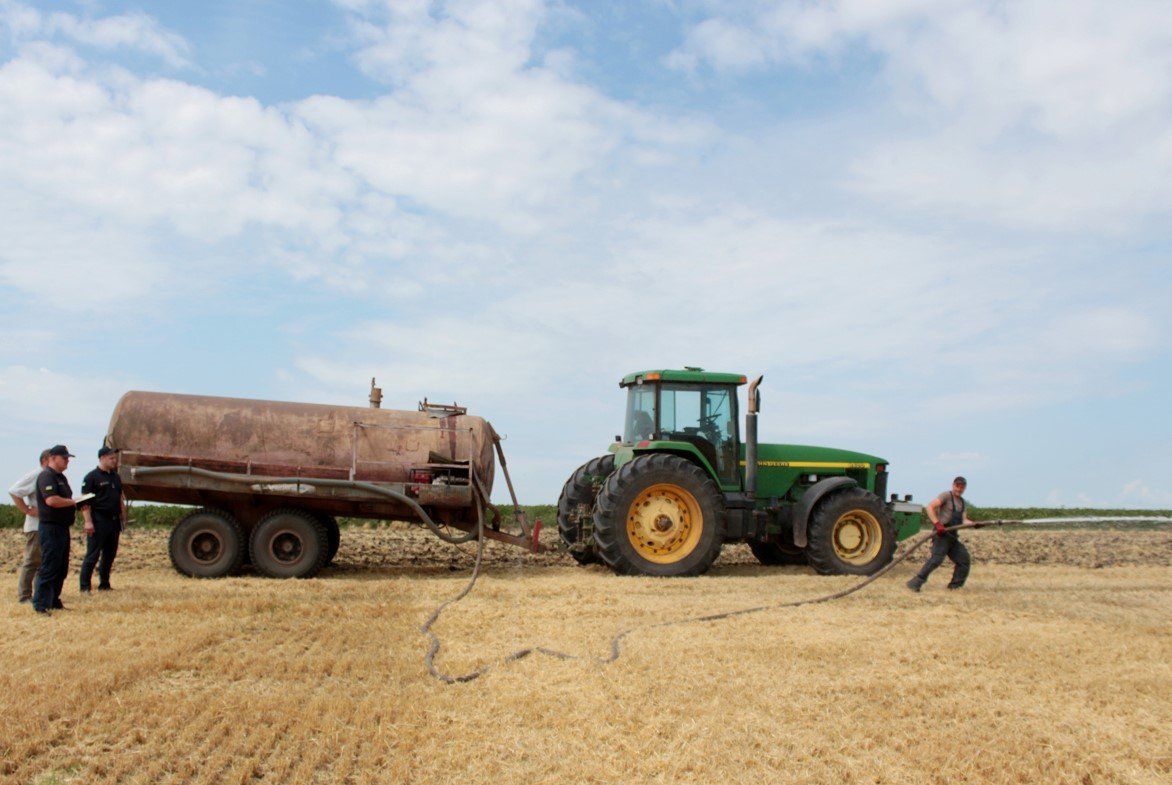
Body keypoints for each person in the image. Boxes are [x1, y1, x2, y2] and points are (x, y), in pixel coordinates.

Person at [32, 444, 79, 615]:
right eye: (64, 458)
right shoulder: (46, 476)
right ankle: (40, 604)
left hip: (62, 528)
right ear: (52, 458)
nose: (67, 461)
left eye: (68, 458)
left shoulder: (61, 478)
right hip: (50, 527)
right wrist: (74, 502)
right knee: (49, 566)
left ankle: (53, 600)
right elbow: (51, 500)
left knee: (61, 567)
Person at [907, 476, 974, 592]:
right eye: (957, 486)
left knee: (964, 560)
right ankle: (915, 582)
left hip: (952, 536)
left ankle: (955, 587)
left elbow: (964, 520)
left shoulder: (962, 502)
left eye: (962, 487)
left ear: (964, 488)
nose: (959, 489)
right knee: (936, 560)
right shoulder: (946, 496)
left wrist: (975, 524)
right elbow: (930, 507)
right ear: (953, 485)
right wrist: (937, 524)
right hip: (941, 534)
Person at [79, 447, 126, 592]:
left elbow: (120, 497)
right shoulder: (91, 477)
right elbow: (84, 502)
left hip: (114, 521)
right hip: (99, 520)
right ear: (102, 458)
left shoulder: (115, 476)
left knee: (109, 555)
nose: (114, 461)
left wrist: (123, 516)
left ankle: (104, 584)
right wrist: (88, 521)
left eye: (115, 458)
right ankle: (85, 587)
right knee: (92, 555)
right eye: (111, 458)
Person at [8, 449, 52, 603]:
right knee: (32, 561)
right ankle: (25, 596)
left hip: (45, 526)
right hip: (36, 527)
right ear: (46, 459)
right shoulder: (37, 475)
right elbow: (14, 491)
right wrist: (27, 510)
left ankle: (39, 594)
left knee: (43, 562)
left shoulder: (50, 476)